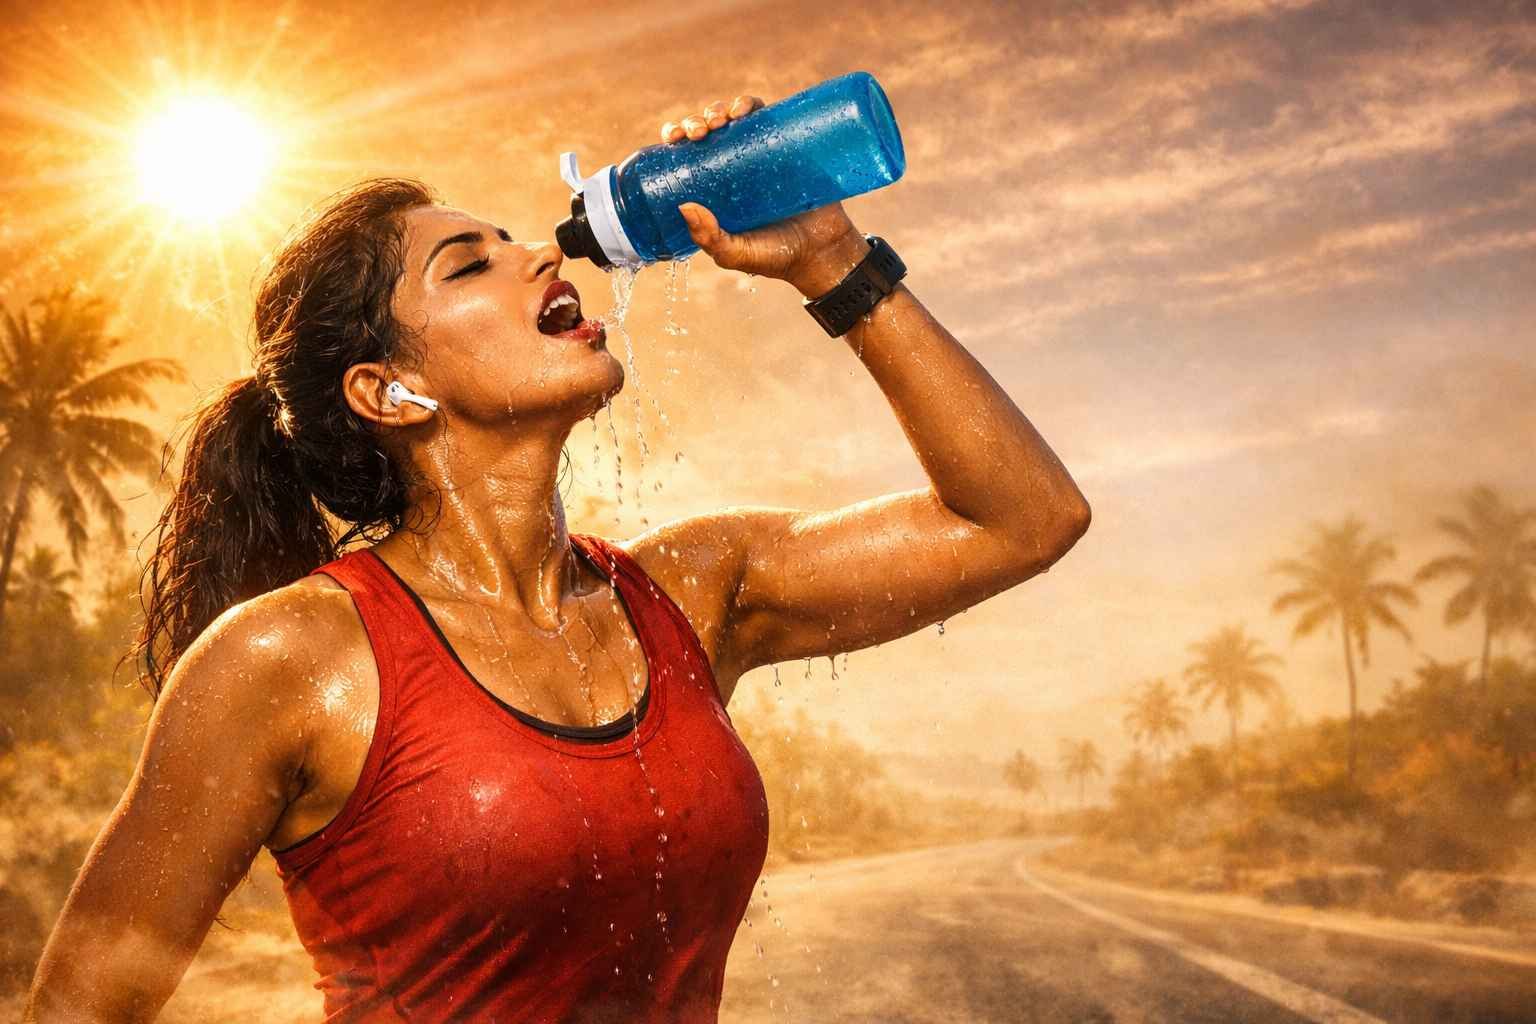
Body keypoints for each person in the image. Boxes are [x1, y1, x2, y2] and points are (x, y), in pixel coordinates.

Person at [23, 93, 1090, 1022]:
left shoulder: (692, 593)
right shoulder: (289, 656)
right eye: (468, 264)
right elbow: (82, 1004)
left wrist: (831, 259)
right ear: (388, 391)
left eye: (514, 240)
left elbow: (1024, 519)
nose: (540, 252)